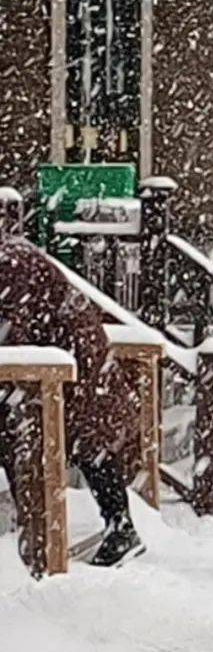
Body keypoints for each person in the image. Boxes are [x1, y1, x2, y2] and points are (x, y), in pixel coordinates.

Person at [0, 237, 144, 570]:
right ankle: (119, 525)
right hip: (72, 358)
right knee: (90, 443)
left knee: (86, 441)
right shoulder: (13, 257)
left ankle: (114, 529)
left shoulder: (11, 265)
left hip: (74, 363)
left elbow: (10, 333)